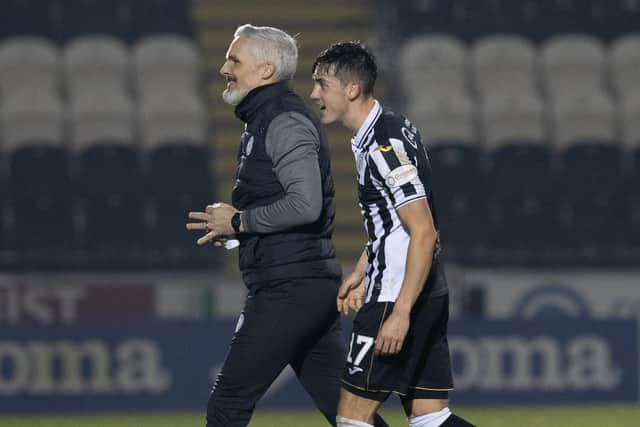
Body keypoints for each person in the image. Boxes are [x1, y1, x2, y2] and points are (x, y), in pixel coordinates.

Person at [186, 25, 389, 427]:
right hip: (299, 283)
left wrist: (240, 221)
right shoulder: (264, 119)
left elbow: (304, 204)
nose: (224, 67)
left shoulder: (283, 121)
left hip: (290, 287)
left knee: (227, 405)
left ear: (265, 71)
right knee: (348, 417)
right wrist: (235, 231)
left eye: (234, 60)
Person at [310, 41, 475, 427]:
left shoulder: (383, 147)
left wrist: (400, 312)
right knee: (429, 416)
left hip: (397, 296)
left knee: (352, 417)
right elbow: (393, 221)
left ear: (351, 89)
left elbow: (423, 231)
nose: (314, 93)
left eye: (321, 84)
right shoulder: (396, 127)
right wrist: (363, 269)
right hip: (428, 289)